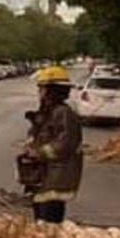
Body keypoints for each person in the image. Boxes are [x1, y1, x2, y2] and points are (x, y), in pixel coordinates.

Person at [22, 66, 83, 223]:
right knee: (40, 220)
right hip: (45, 176)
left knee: (49, 222)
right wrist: (30, 144)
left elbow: (65, 143)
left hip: (56, 178)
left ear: (52, 90)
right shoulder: (49, 111)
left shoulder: (64, 113)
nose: (39, 92)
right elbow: (40, 134)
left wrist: (39, 153)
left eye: (42, 88)